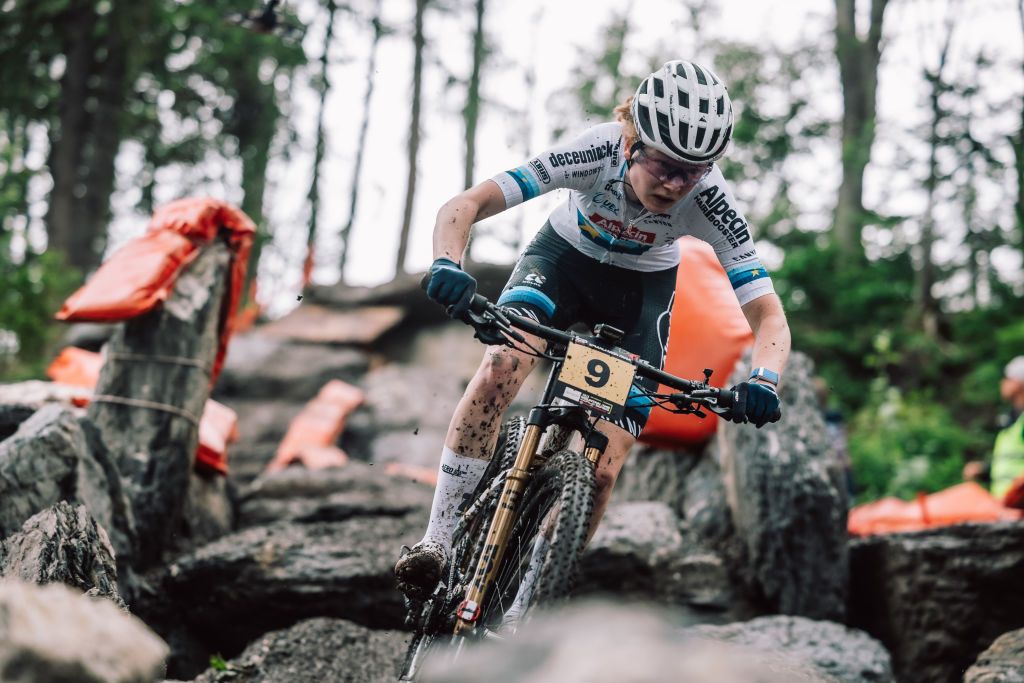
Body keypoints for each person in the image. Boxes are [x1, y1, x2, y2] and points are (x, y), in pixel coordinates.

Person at [395, 60, 791, 599]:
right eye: (663, 164)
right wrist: (446, 262)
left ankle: (530, 601)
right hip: (562, 264)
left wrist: (765, 380)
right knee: (501, 367)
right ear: (631, 138)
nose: (675, 184)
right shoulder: (593, 151)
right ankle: (436, 543)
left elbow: (768, 314)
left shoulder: (709, 199)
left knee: (602, 471)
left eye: (692, 171)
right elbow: (465, 204)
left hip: (640, 295)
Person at [965, 356, 1024, 503]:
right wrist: (983, 470)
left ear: (1019, 383)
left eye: (1008, 378)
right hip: (1006, 508)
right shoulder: (1010, 420)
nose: (1003, 383)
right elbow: (1010, 463)